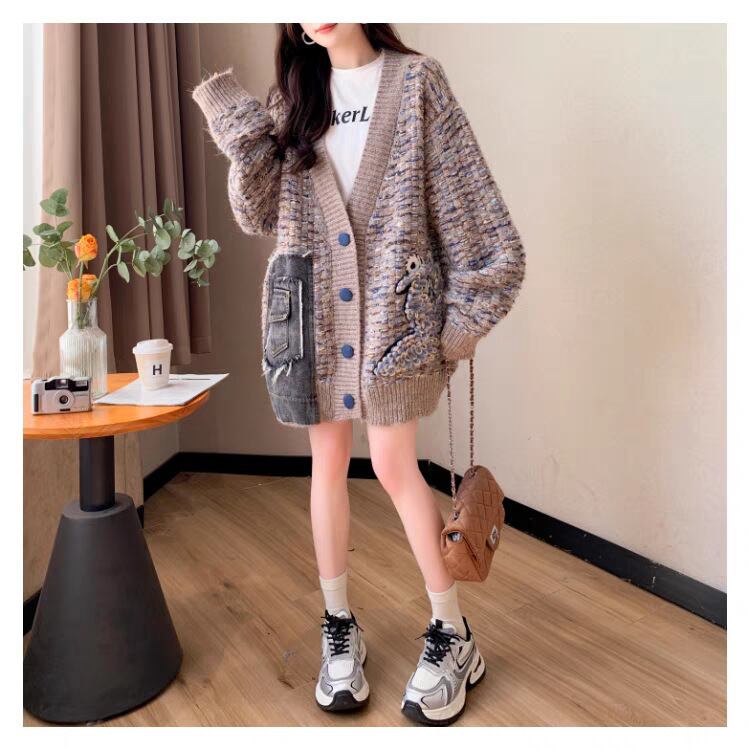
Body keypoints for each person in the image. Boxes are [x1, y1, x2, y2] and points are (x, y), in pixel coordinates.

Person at [192, 22, 525, 726]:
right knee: (327, 465)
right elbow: (256, 214)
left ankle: (453, 631)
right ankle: (338, 626)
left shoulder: (418, 84)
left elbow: (481, 222)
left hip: (393, 323)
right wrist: (245, 139)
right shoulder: (293, 99)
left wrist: (459, 326)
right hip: (309, 319)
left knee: (395, 466)